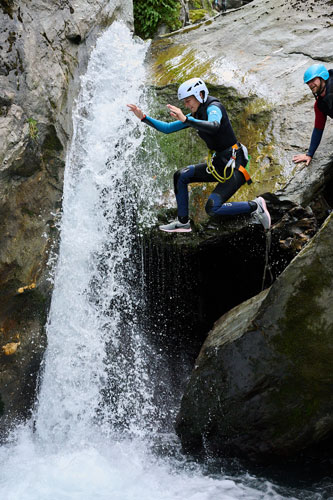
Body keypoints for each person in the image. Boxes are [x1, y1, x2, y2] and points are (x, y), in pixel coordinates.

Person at [127, 77, 271, 233]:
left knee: (212, 208)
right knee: (181, 175)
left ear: (200, 94)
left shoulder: (214, 107)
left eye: (188, 101)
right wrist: (143, 117)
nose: (186, 105)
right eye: (185, 102)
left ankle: (256, 206)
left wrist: (186, 119)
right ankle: (183, 223)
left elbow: (214, 126)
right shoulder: (195, 115)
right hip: (220, 164)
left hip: (236, 165)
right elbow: (168, 128)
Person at [293, 64, 333, 166]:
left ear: (322, 77)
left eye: (313, 80)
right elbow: (318, 129)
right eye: (308, 82)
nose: (310, 84)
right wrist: (309, 154)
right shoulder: (320, 105)